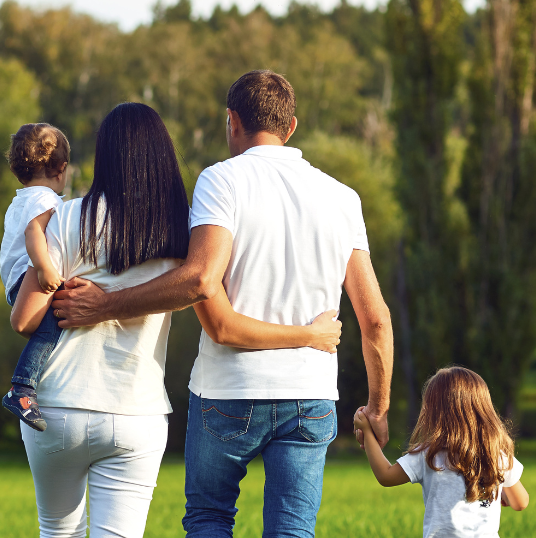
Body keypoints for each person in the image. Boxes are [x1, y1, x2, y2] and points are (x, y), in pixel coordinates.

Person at [48, 70, 395, 537]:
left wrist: (105, 305)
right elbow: (374, 319)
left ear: (231, 121)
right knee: (293, 530)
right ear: (291, 127)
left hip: (229, 391)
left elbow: (200, 280)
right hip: (311, 393)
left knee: (210, 520)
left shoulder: (221, 181)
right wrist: (378, 407)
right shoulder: (342, 198)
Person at [354, 366, 528, 537]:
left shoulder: (429, 455)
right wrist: (500, 491)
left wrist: (367, 432)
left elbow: (386, 476)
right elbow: (520, 503)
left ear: (433, 412)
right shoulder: (495, 455)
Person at [0, 123, 71, 432]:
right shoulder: (47, 201)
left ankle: (29, 385)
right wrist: (43, 267)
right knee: (56, 322)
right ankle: (23, 387)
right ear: (62, 169)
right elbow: (33, 233)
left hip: (14, 284)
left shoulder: (21, 200)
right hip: (30, 279)